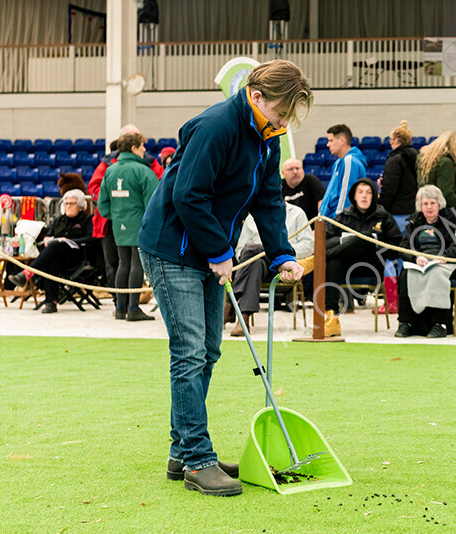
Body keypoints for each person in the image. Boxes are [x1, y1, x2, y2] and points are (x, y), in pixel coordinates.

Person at [137, 60, 312, 497]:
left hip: (209, 249)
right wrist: (218, 251)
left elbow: (269, 200)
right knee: (190, 350)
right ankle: (197, 459)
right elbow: (188, 194)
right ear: (257, 97)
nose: (285, 120)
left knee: (210, 350)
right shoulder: (217, 126)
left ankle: (183, 450)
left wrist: (282, 255)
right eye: (282, 110)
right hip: (172, 247)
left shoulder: (267, 137)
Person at [88, 125, 164, 311]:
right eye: (141, 146)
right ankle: (133, 309)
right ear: (133, 148)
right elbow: (155, 202)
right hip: (139, 225)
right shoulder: (144, 171)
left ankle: (120, 308)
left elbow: (102, 202)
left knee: (123, 263)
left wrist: (115, 215)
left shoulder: (110, 170)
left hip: (118, 225)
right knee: (136, 264)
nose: (144, 150)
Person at [323, 178, 402, 335]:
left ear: (374, 196)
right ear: (354, 196)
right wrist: (346, 241)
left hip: (372, 266)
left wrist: (377, 244)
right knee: (334, 262)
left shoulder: (383, 217)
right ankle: (331, 315)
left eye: (368, 192)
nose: (364, 196)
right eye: (360, 192)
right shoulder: (343, 216)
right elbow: (327, 239)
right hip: (346, 265)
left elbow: (396, 246)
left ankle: (320, 258)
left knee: (365, 237)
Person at [395, 185, 456, 339]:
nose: (429, 207)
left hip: (445, 262)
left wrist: (444, 256)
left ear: (439, 204)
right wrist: (415, 258)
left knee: (436, 273)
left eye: (432, 203)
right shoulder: (414, 222)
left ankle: (440, 324)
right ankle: (406, 322)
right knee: (405, 274)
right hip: (421, 262)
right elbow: (404, 247)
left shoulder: (451, 220)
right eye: (425, 204)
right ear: (420, 206)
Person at [226, 203, 314, 336]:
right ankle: (243, 318)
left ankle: (232, 303)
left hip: (285, 266)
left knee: (252, 249)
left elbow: (309, 245)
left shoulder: (297, 213)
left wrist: (284, 253)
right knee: (255, 262)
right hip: (258, 268)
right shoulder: (252, 217)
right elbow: (240, 251)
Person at [8, 189, 93, 314]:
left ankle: (27, 274)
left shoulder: (87, 220)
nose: (68, 206)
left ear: (81, 206)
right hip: (57, 257)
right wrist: (47, 238)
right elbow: (49, 235)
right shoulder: (59, 220)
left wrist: (69, 241)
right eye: (66, 203)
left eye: (72, 204)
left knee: (55, 247)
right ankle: (51, 302)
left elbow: (91, 239)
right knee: (53, 258)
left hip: (76, 257)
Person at [417, 130, 456, 213]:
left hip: (425, 208)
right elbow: (446, 195)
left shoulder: (425, 160)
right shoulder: (446, 163)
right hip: (442, 213)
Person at [319, 124, 367, 218]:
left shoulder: (349, 161)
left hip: (338, 222)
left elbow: (346, 194)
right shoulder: (338, 162)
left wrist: (339, 220)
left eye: (331, 141)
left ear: (341, 141)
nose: (328, 144)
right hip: (328, 219)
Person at [379, 120, 419, 231]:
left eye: (390, 139)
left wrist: (381, 206)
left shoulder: (394, 159)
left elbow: (390, 188)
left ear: (396, 140)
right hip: (410, 209)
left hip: (395, 212)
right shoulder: (415, 157)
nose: (390, 142)